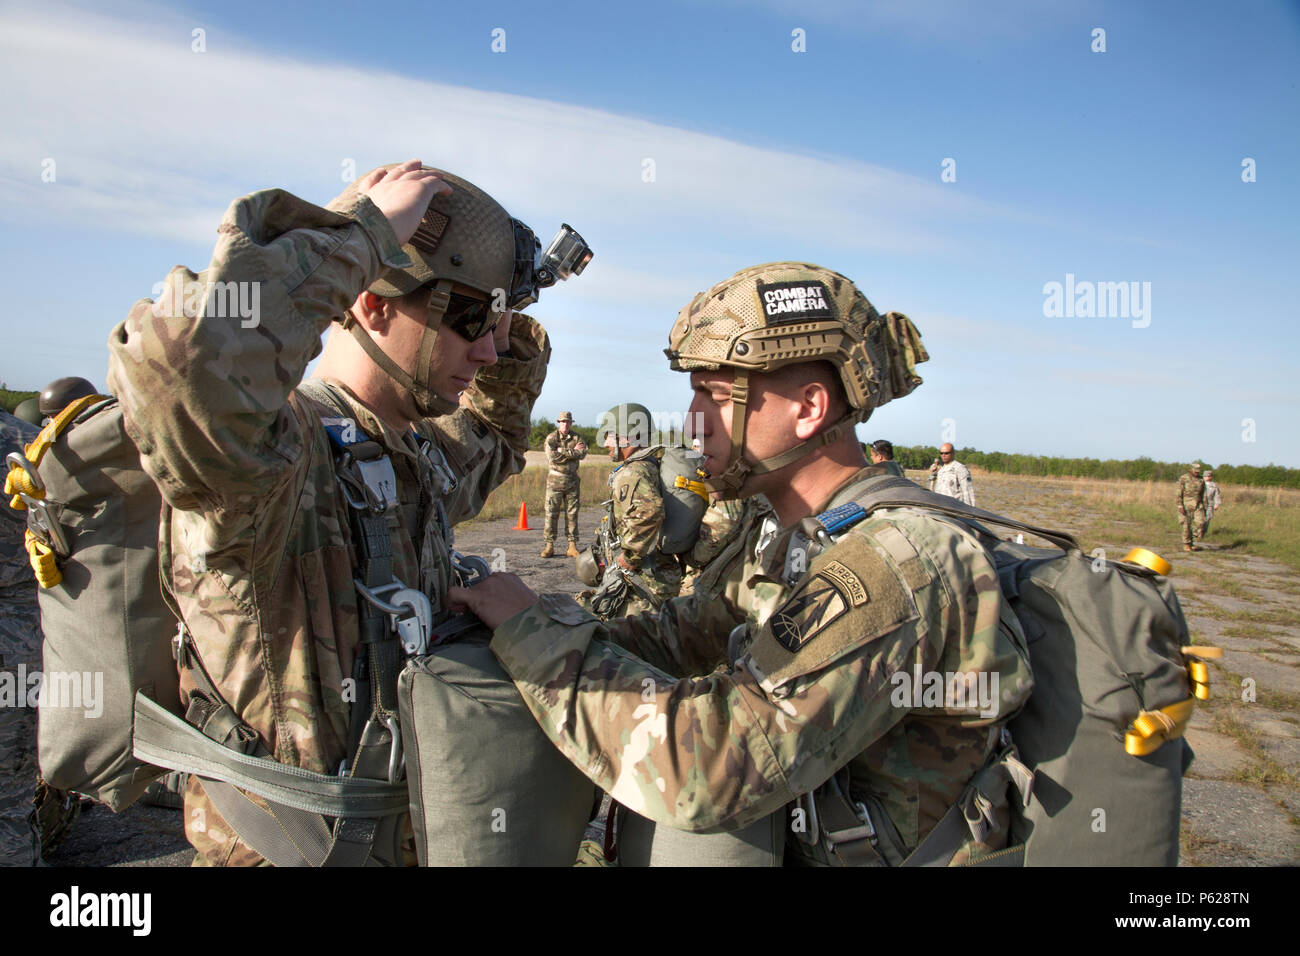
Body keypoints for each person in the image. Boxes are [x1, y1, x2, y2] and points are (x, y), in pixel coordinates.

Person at [452, 262, 1033, 866]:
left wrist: (535, 642)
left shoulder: (895, 560)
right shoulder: (791, 540)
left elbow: (714, 765)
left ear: (809, 408)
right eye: (693, 392)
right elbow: (679, 632)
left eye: (715, 393)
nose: (694, 420)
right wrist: (522, 621)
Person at [105, 161, 573, 866]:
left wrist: (507, 297)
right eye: (470, 319)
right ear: (373, 304)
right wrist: (359, 233)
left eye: (498, 325)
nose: (489, 349)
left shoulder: (420, 456)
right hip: (289, 850)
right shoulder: (274, 461)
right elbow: (187, 374)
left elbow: (500, 436)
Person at [580, 403, 683, 619]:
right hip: (658, 577)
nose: (606, 442)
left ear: (627, 437)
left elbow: (650, 511)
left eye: (610, 435)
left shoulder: (631, 473)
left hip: (645, 583)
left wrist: (629, 557)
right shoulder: (651, 463)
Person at [541, 412, 586, 558]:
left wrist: (563, 451)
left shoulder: (577, 437)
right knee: (551, 513)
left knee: (572, 514)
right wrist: (573, 453)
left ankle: (572, 546)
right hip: (555, 481)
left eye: (568, 422)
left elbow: (583, 453)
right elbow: (553, 457)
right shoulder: (551, 438)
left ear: (571, 423)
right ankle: (549, 546)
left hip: (572, 481)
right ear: (558, 422)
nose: (565, 424)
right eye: (563, 422)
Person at [1178, 461, 1207, 552]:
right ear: (1191, 469)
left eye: (1198, 471)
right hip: (1186, 504)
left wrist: (1204, 505)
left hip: (1198, 504)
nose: (1196, 473)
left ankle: (1193, 541)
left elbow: (1203, 493)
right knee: (1187, 525)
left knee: (1200, 523)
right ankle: (1187, 544)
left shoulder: (1201, 480)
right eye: (1195, 471)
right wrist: (1180, 505)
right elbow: (1179, 493)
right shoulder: (1184, 478)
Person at [1203, 470, 1222, 537]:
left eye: (1208, 476)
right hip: (1200, 503)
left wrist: (1216, 504)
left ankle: (1203, 532)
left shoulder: (1214, 485)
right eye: (1205, 476)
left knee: (1207, 518)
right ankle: (1197, 533)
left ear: (1211, 477)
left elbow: (1217, 495)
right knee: (1199, 519)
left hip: (1210, 504)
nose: (1207, 477)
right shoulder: (1200, 483)